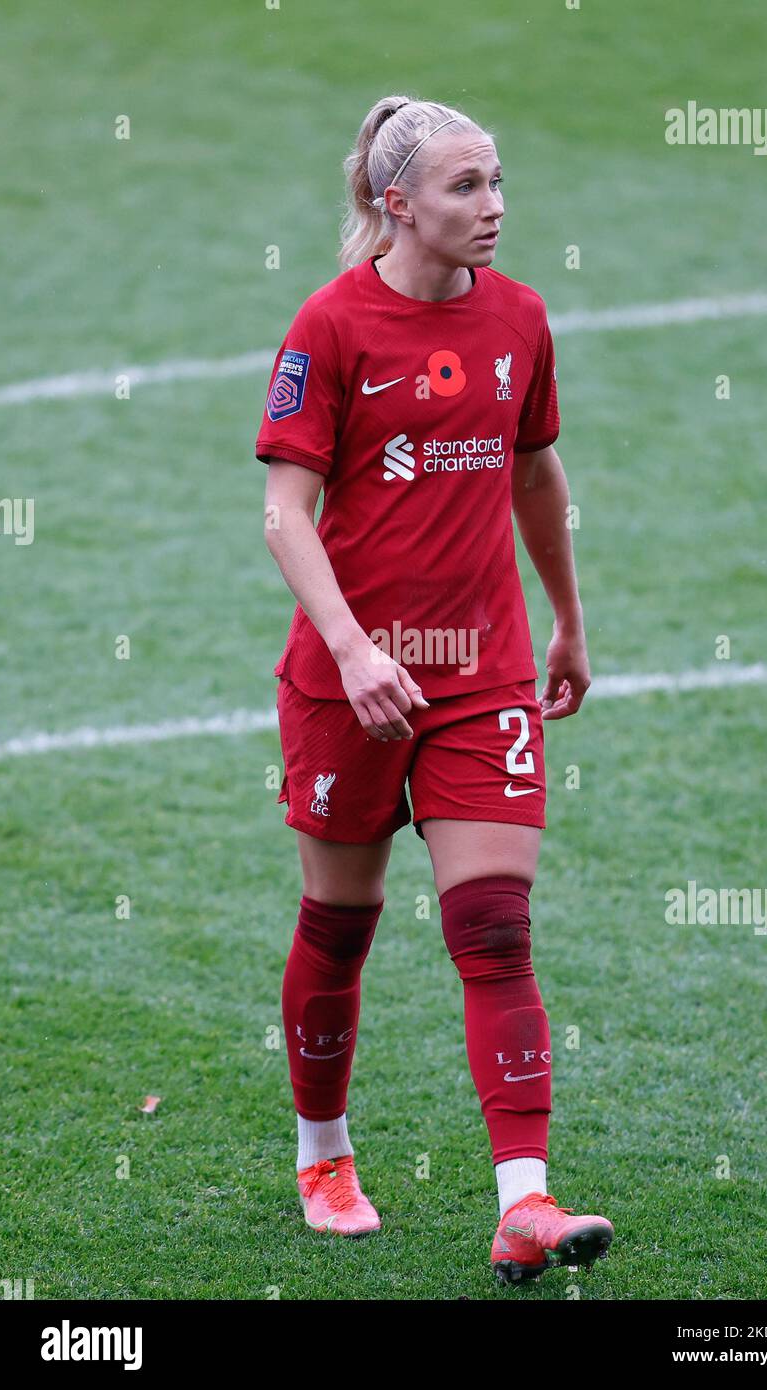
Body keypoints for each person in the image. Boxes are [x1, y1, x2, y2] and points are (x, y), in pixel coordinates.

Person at [256, 93, 613, 1285]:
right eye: (466, 187)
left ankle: (525, 1200)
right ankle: (322, 1156)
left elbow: (533, 473)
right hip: (349, 682)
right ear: (392, 200)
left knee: (493, 929)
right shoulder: (332, 325)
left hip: (481, 674)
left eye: (498, 181)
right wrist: (355, 650)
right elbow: (282, 513)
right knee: (342, 927)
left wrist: (565, 617)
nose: (495, 206)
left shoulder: (520, 320)